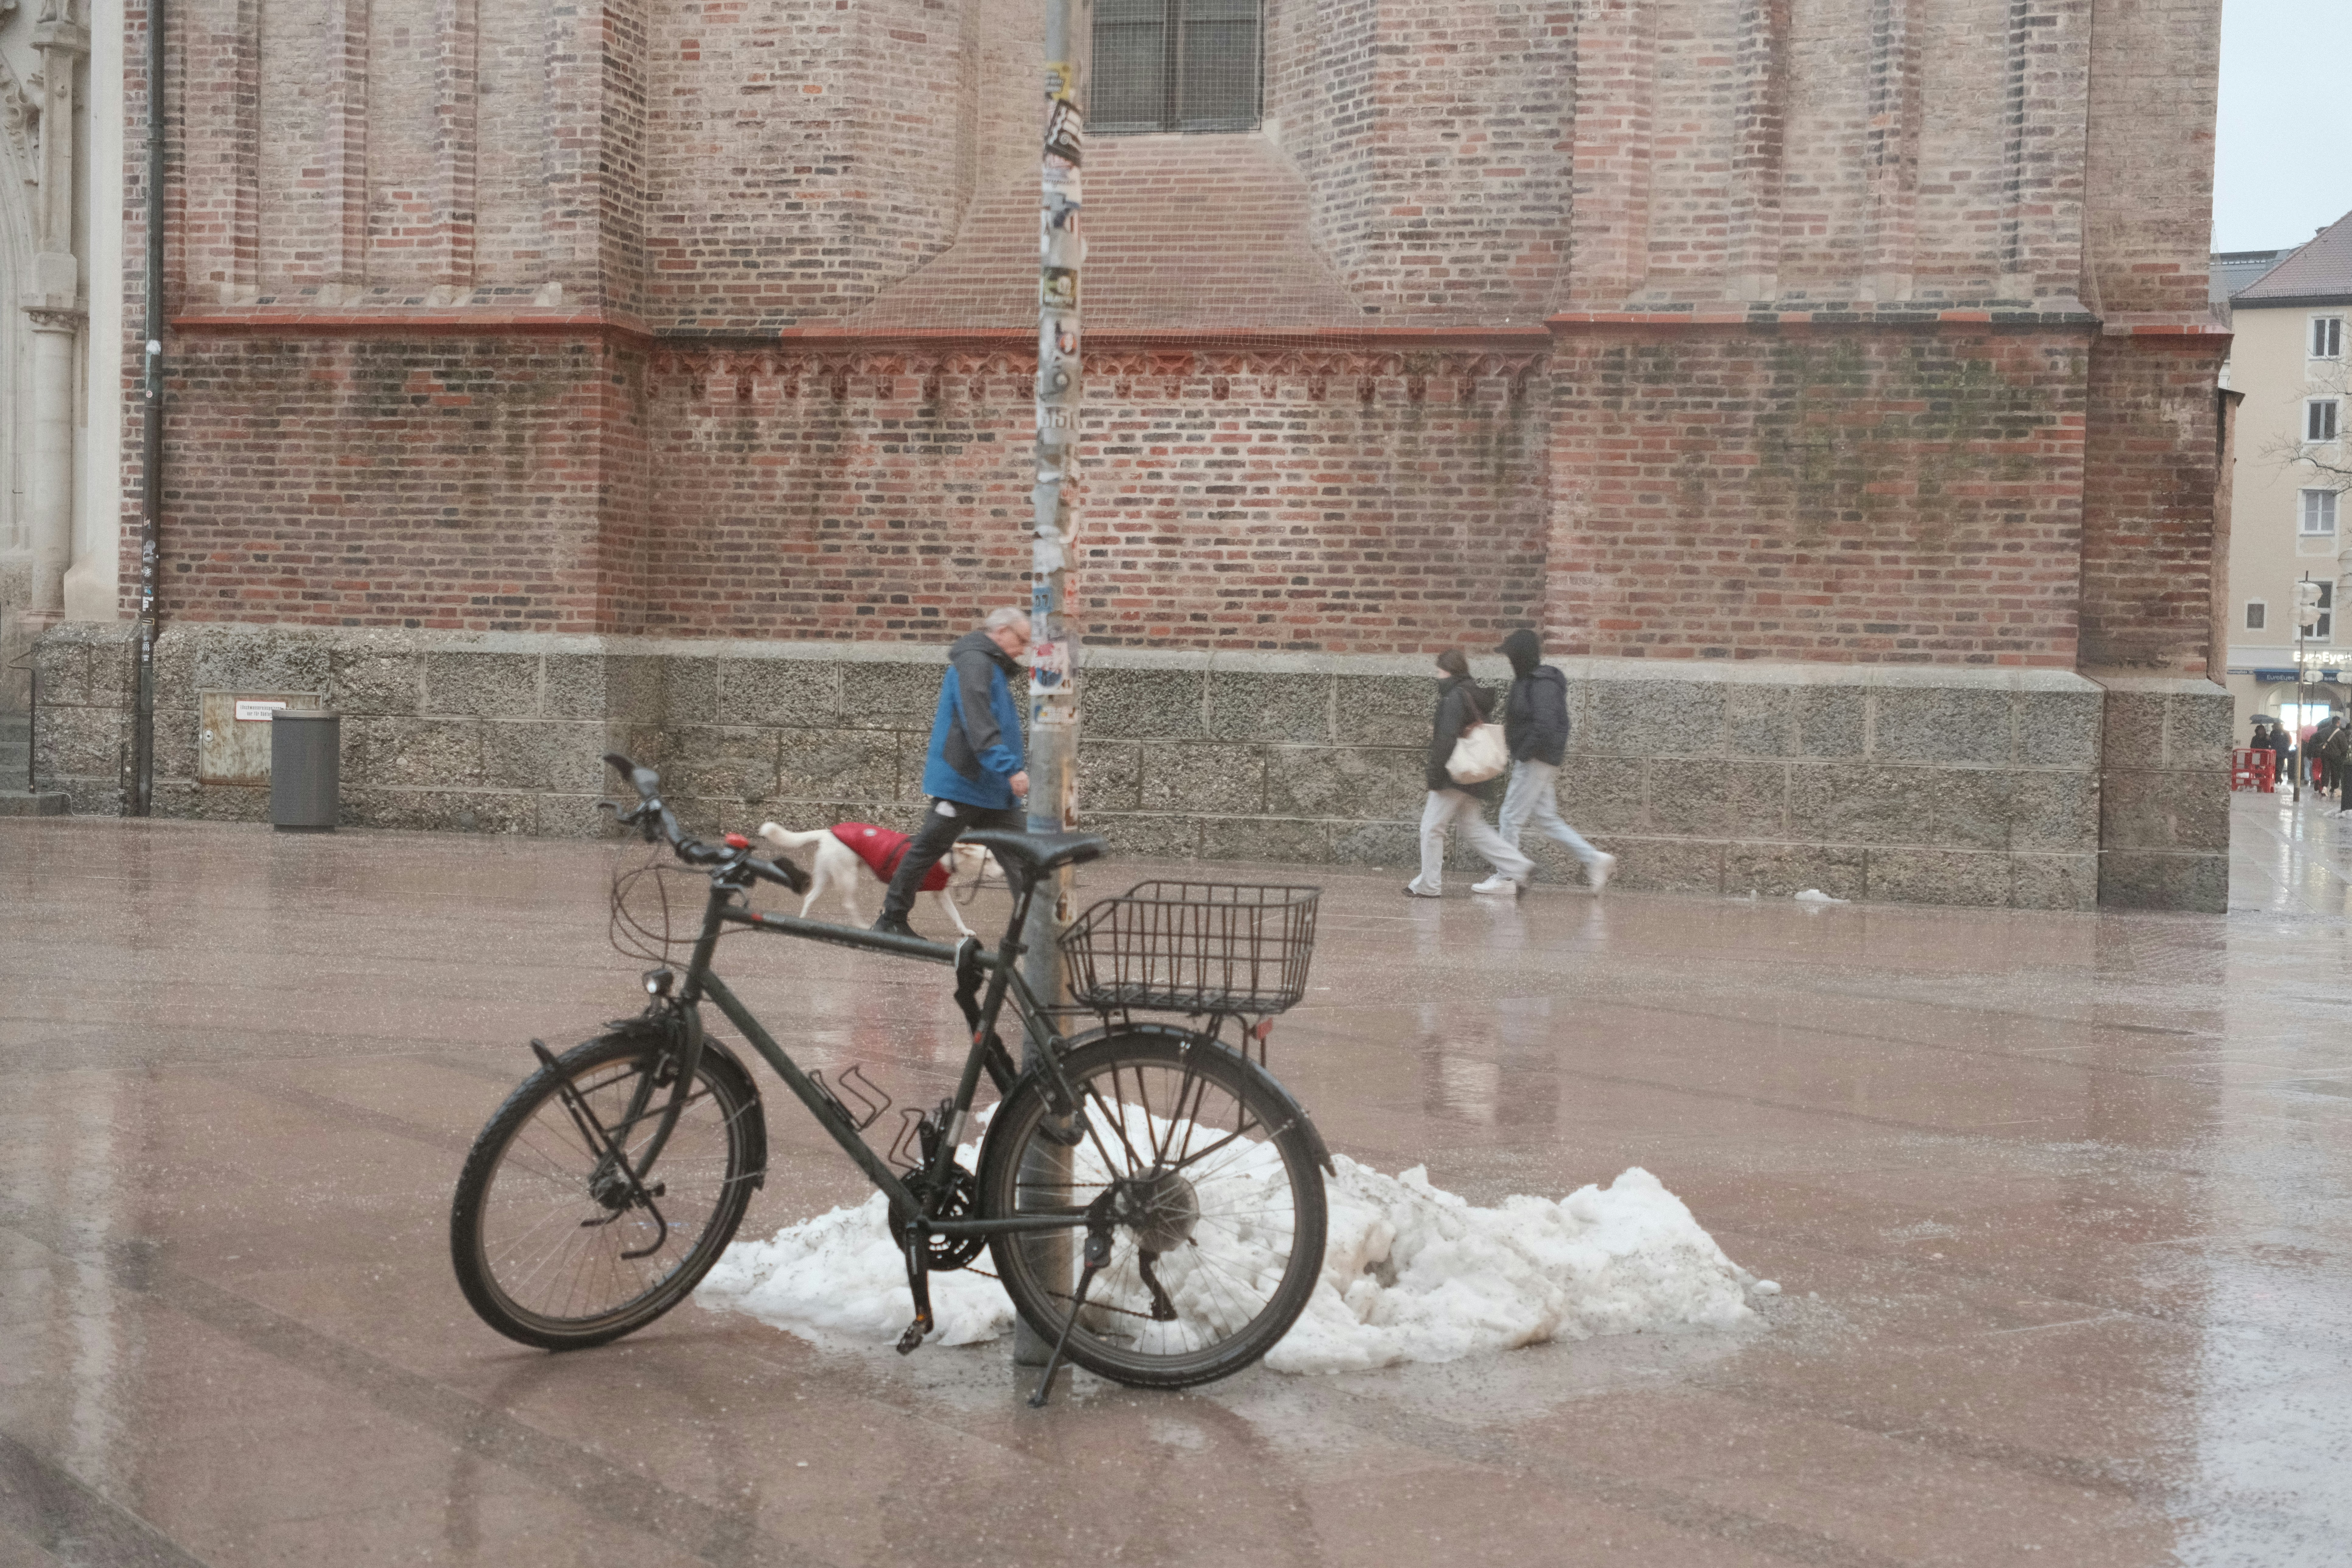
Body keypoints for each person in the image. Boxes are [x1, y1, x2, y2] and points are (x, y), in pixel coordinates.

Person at [872, 608, 1031, 937]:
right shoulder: (975, 663)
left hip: (990, 787)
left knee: (1024, 857)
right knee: (928, 849)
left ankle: (1035, 930)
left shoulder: (987, 665)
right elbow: (979, 722)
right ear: (1001, 632)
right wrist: (1010, 768)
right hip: (966, 783)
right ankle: (891, 920)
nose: (1024, 649)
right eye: (1022, 640)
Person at [1474, 629, 1618, 895]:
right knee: (1546, 819)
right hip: (1539, 758)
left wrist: (1525, 753)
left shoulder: (1541, 683)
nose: (1509, 661)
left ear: (1521, 656)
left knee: (1509, 817)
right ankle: (1595, 859)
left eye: (1511, 656)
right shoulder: (1531, 681)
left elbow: (1546, 724)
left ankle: (1508, 877)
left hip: (1536, 758)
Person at [1404, 650, 1535, 898]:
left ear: (1447, 671)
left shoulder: (1455, 697)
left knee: (1431, 828)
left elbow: (1445, 738)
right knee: (1473, 827)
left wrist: (1434, 776)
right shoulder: (1473, 694)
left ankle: (1429, 885)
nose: (1437, 676)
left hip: (1455, 773)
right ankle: (1521, 867)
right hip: (1475, 773)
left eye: (1438, 671)